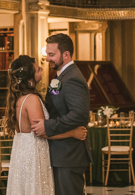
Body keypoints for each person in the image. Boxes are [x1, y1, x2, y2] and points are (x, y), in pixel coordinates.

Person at [4, 54, 87, 195]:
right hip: (34, 154)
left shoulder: (19, 98)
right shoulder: (32, 99)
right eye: (37, 69)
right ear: (30, 80)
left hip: (22, 153)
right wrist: (72, 133)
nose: (42, 68)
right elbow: (42, 132)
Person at [31, 33, 91, 195]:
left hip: (69, 154)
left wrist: (47, 125)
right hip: (62, 153)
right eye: (47, 55)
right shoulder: (61, 76)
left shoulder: (72, 78)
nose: (47, 59)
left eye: (51, 55)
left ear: (66, 55)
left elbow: (80, 114)